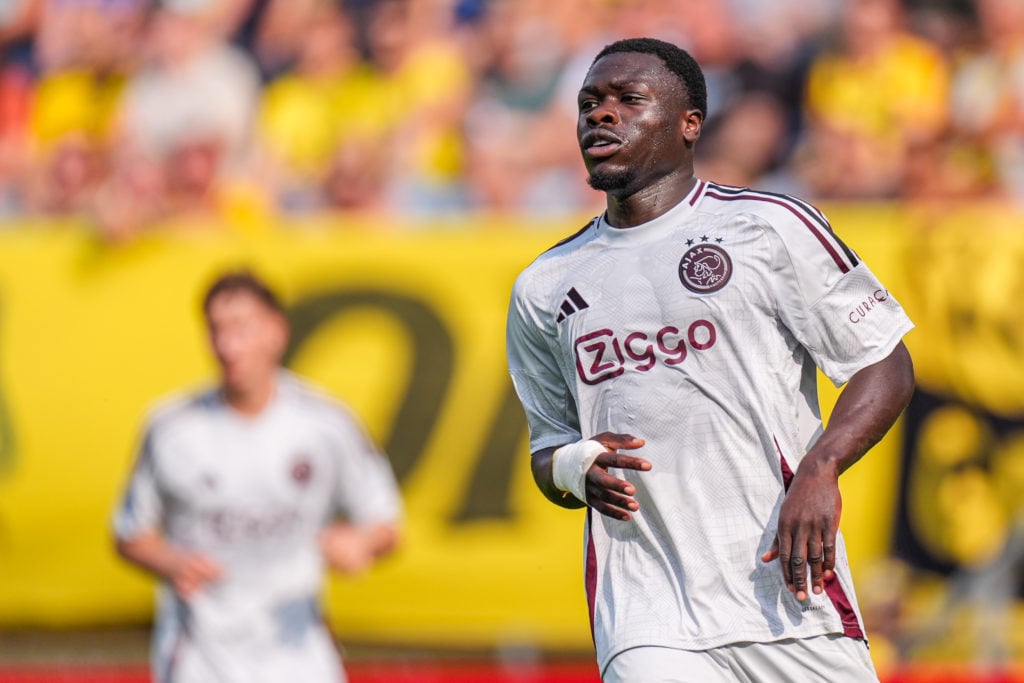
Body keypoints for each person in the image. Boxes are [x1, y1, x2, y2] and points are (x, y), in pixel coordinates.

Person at [505, 37, 915, 683]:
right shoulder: (544, 285)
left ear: (689, 123)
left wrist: (822, 465)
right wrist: (575, 467)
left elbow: (885, 361)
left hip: (788, 594)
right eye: (589, 103)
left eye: (627, 100)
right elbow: (547, 452)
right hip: (647, 615)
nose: (600, 115)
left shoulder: (767, 228)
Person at [113, 270, 402, 683]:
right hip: (200, 659)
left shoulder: (326, 425)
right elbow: (129, 535)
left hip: (298, 657)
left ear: (276, 333)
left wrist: (360, 541)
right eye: (216, 330)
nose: (228, 346)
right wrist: (171, 561)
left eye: (242, 329)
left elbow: (386, 525)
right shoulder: (171, 427)